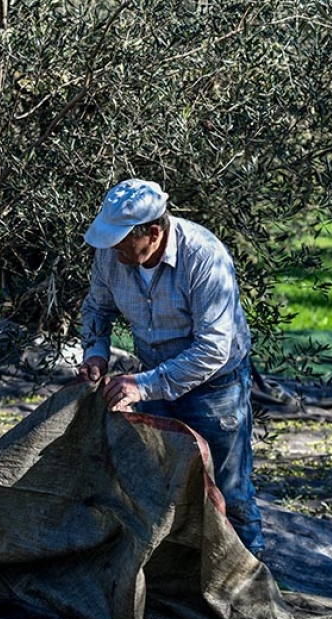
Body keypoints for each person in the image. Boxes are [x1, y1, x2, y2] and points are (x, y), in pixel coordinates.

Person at [77, 178, 264, 555]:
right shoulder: (111, 255)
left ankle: (249, 582)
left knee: (230, 492)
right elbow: (97, 309)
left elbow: (213, 349)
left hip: (216, 389)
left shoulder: (204, 257)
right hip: (153, 379)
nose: (114, 252)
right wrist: (94, 352)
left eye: (123, 241)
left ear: (153, 232)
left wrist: (142, 387)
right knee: (161, 485)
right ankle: (176, 577)